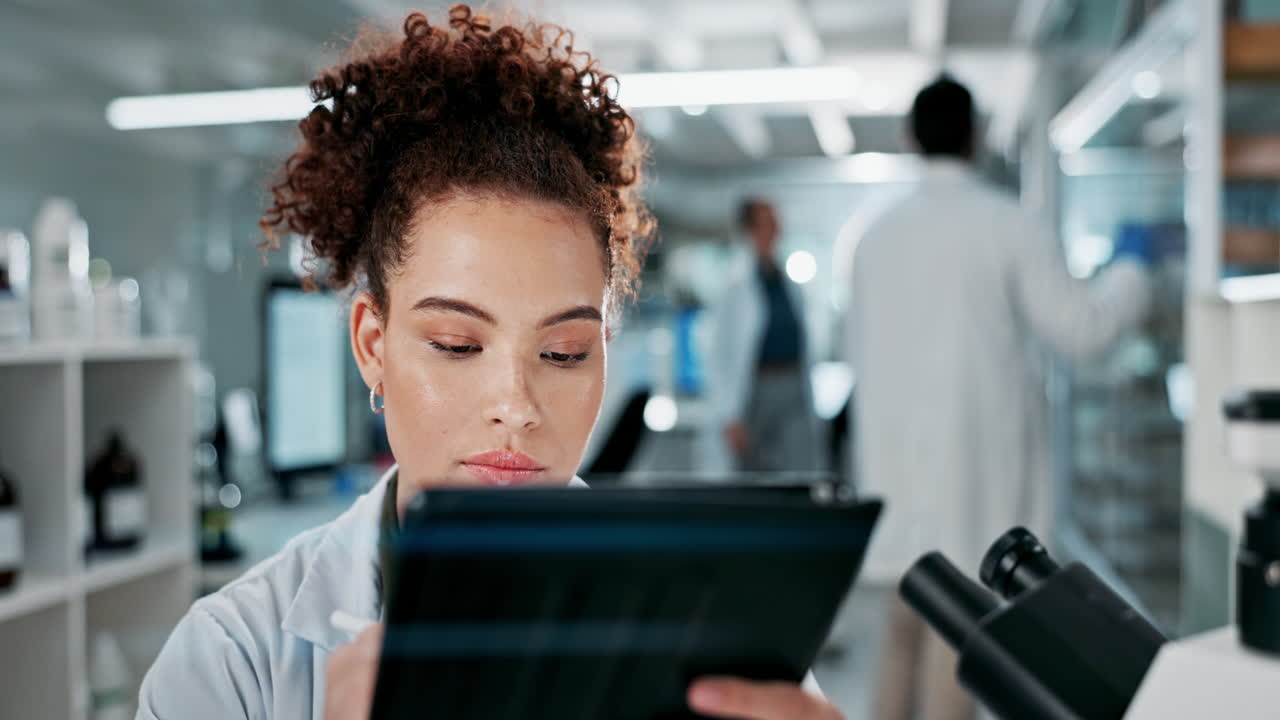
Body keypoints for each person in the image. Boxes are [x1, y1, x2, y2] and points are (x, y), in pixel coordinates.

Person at [135, 7, 844, 720]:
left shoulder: (715, 631)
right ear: (373, 346)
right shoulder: (231, 661)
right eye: (457, 345)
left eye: (563, 353)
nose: (516, 405)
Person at [843, 76, 1153, 720]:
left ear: (909, 137)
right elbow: (1082, 328)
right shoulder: (1007, 224)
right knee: (956, 660)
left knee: (900, 649)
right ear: (976, 136)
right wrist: (1133, 269)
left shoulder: (873, 238)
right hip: (974, 495)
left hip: (897, 493)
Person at [706, 198, 819, 475]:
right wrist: (729, 414)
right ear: (750, 230)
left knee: (799, 469)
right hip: (755, 389)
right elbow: (718, 353)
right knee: (752, 473)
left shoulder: (788, 282)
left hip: (793, 385)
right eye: (768, 222)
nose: (776, 229)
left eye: (777, 222)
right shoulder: (734, 285)